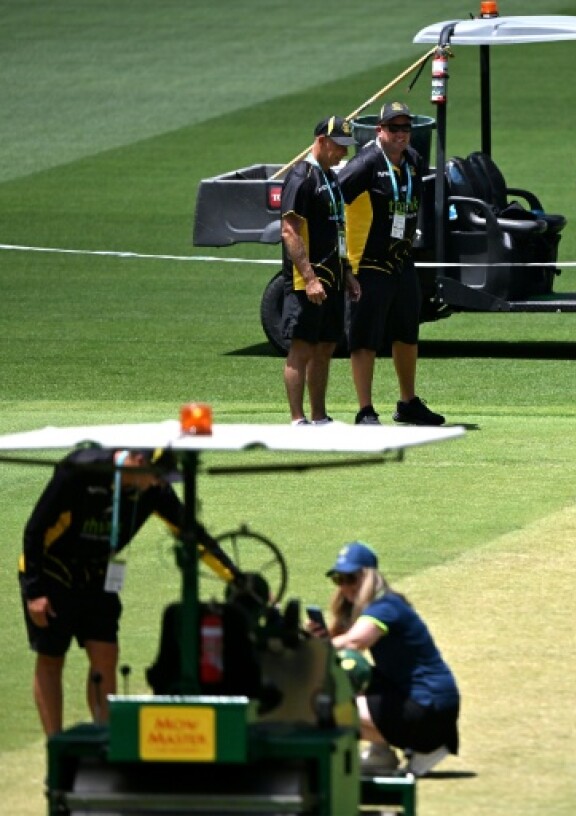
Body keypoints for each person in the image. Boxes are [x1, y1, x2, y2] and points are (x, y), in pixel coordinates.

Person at [18, 448, 238, 736]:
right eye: (158, 476)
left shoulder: (154, 491)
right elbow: (34, 530)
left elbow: (192, 534)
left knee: (106, 654)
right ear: (136, 461)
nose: (161, 484)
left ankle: (104, 740)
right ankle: (55, 746)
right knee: (51, 657)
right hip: (51, 572)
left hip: (98, 573)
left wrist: (237, 579)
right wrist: (35, 592)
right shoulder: (79, 470)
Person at [311, 541, 460, 776]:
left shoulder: (386, 607)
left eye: (351, 578)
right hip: (421, 701)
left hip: (430, 707)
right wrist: (314, 637)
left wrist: (311, 646)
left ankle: (425, 746)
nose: (345, 587)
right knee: (347, 674)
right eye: (339, 579)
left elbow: (353, 643)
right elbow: (333, 646)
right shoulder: (364, 608)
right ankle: (382, 754)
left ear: (369, 576)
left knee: (329, 707)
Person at [338, 101, 445, 427]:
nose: (401, 134)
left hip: (401, 261)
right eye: (394, 128)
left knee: (407, 334)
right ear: (379, 130)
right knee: (365, 338)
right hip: (368, 266)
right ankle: (365, 409)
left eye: (406, 128)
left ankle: (408, 402)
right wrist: (343, 263)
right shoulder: (364, 164)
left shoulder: (413, 161)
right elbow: (332, 205)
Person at [281, 115, 361, 426]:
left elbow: (337, 230)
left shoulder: (330, 178)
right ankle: (297, 419)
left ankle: (319, 416)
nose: (344, 153)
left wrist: (348, 273)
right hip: (307, 281)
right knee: (302, 347)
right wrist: (310, 278)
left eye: (347, 147)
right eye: (339, 146)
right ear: (321, 141)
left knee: (326, 346)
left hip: (333, 278)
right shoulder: (302, 177)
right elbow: (289, 231)